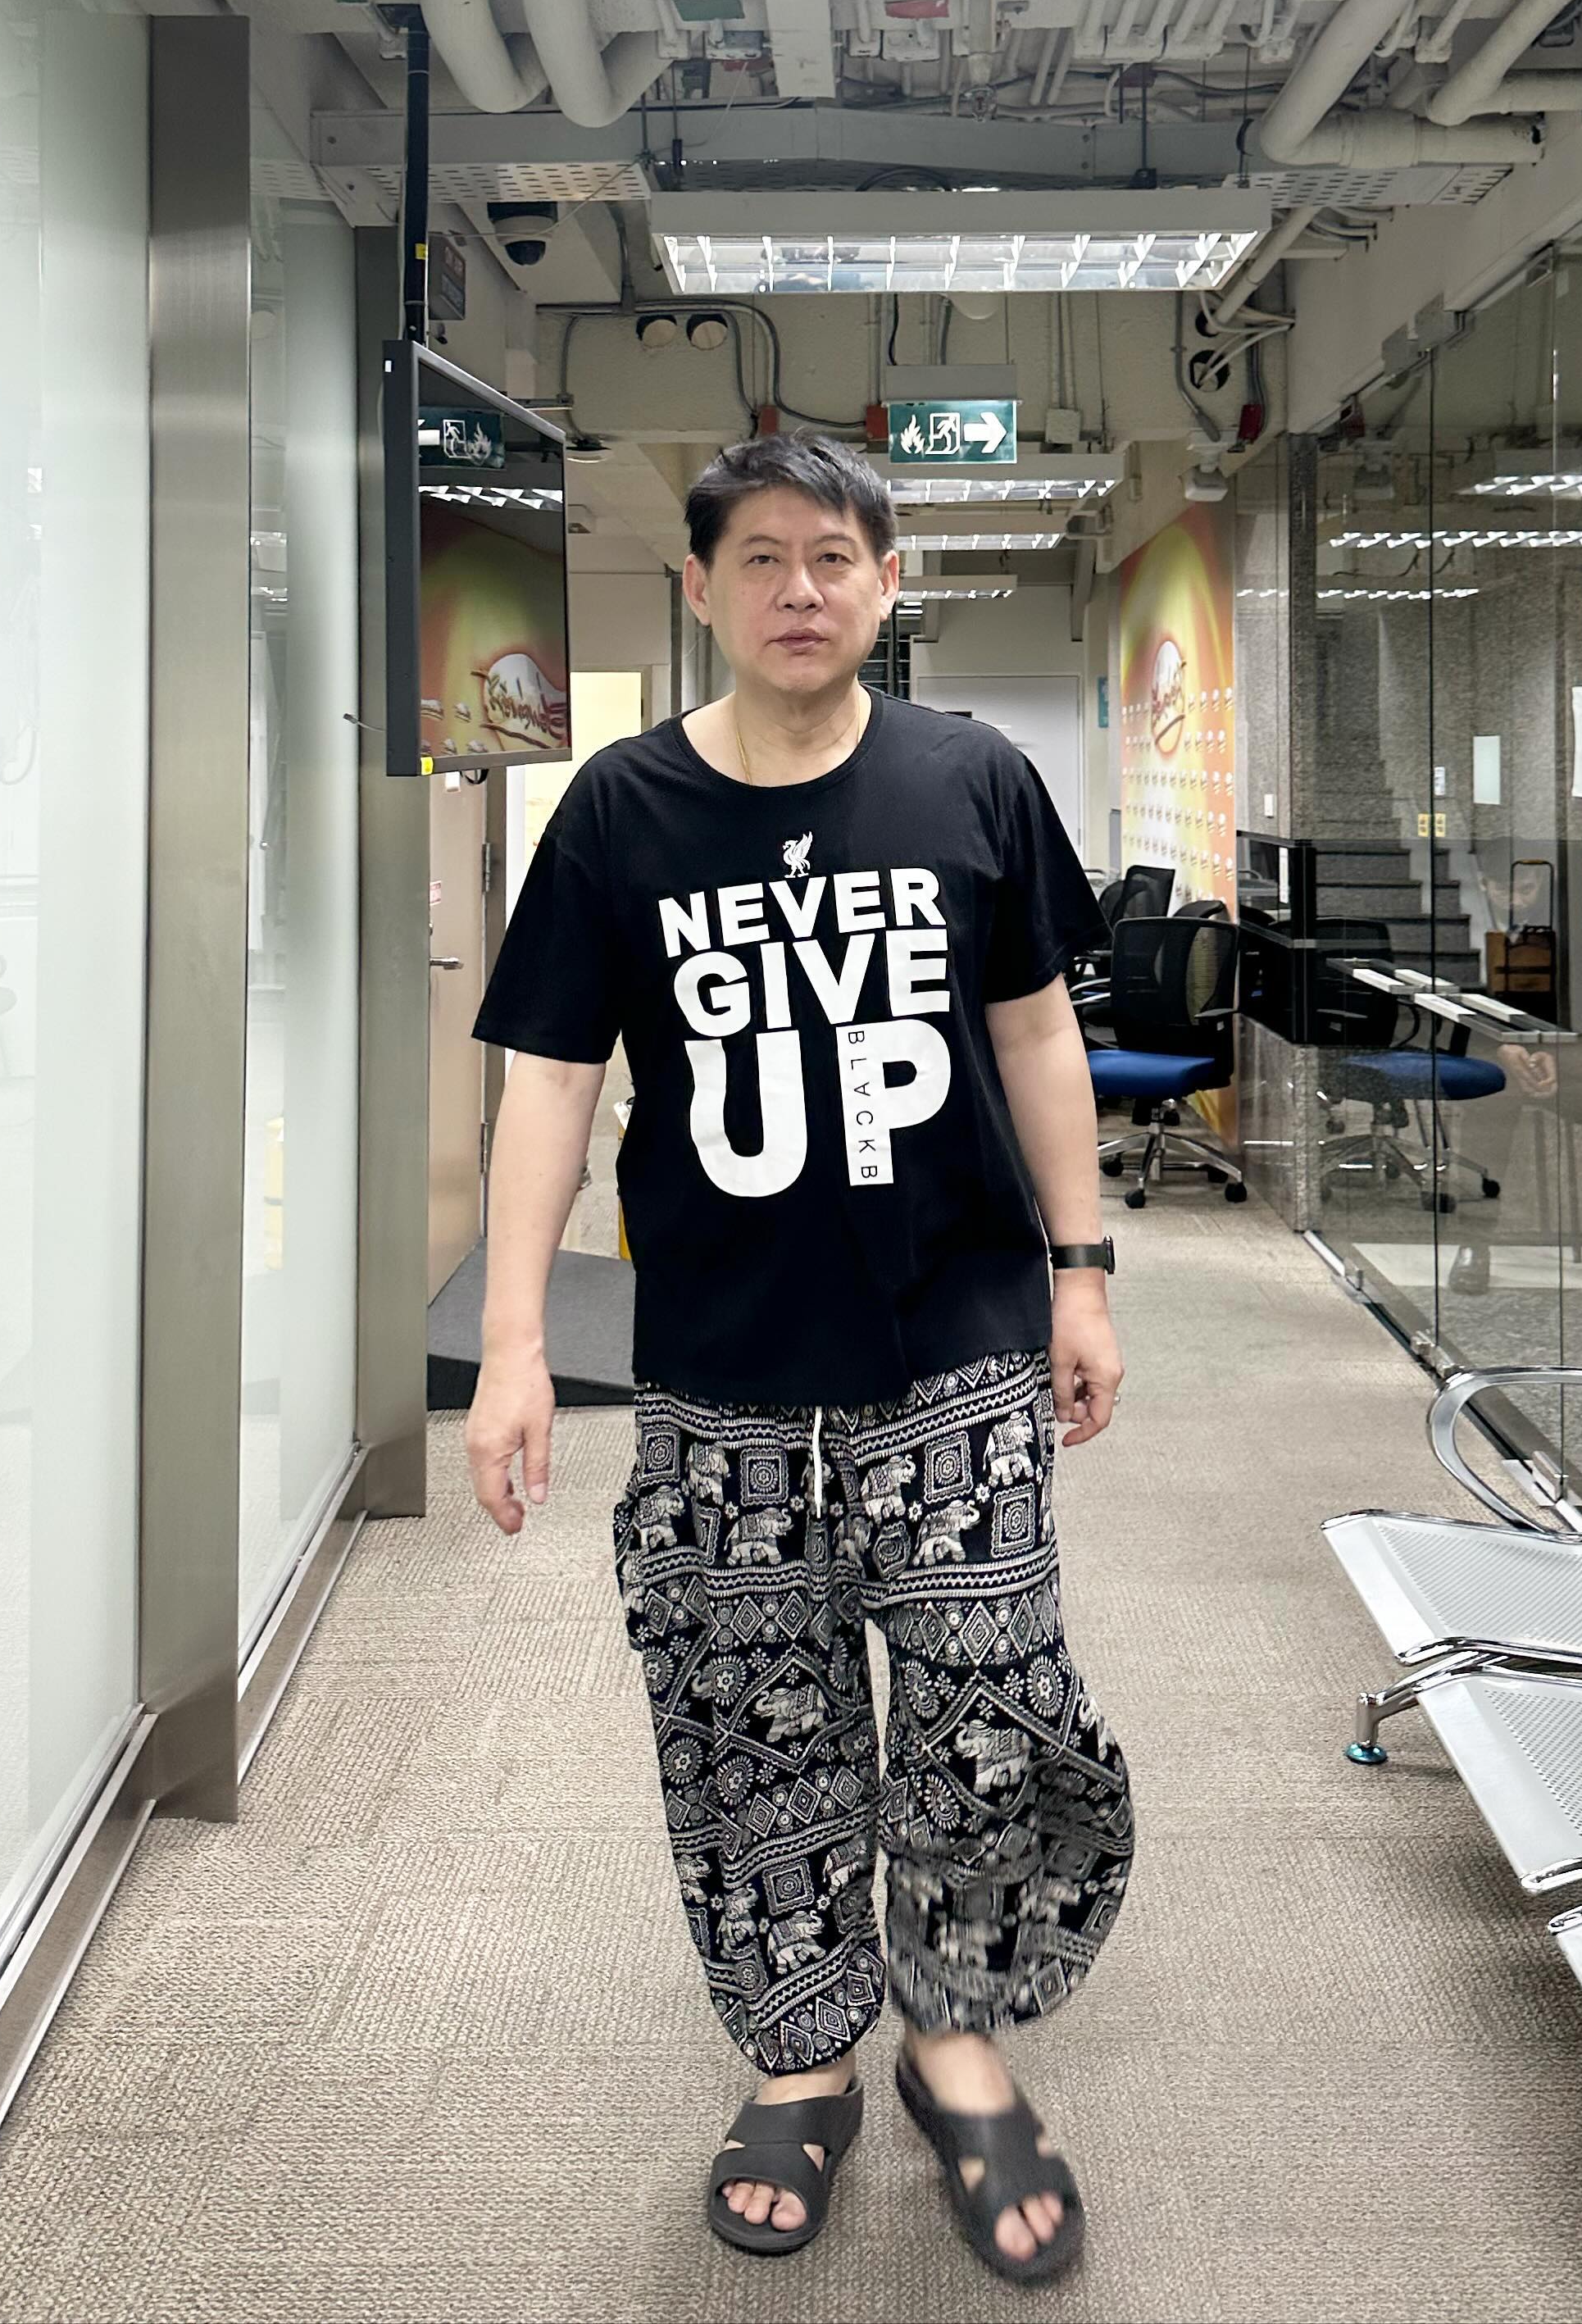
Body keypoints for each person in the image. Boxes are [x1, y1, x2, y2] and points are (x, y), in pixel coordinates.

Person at [463, 431, 1134, 2284]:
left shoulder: (971, 779)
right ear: (700, 587)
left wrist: (1083, 1271)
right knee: (753, 1714)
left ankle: (956, 2036)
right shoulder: (619, 813)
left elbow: (1037, 1036)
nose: (799, 590)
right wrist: (514, 1341)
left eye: (834, 556)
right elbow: (550, 1084)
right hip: (721, 1361)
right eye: (758, 558)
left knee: (990, 1695)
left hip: (958, 1339)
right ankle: (800, 2058)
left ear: (887, 581)